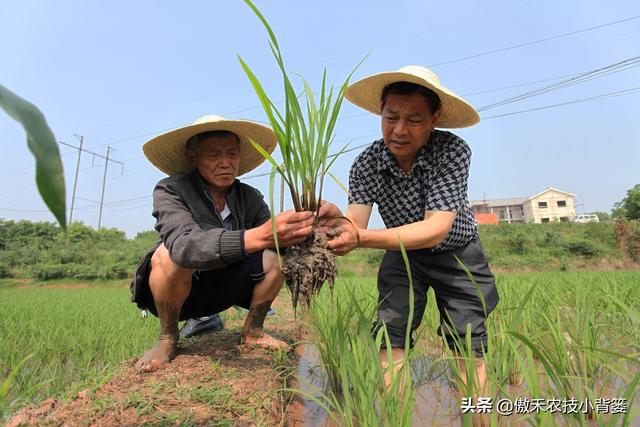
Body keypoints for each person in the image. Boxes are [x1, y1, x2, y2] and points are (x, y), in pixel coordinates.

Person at [320, 66, 499, 393]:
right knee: (391, 333)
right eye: (391, 118)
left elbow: (435, 229)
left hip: (457, 255)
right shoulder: (366, 164)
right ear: (381, 114)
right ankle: (395, 411)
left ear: (434, 118)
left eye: (414, 120)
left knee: (467, 341)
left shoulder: (452, 152)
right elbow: (355, 224)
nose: (399, 130)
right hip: (402, 256)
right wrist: (336, 221)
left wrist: (360, 238)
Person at [131, 115, 314, 372]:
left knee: (278, 255)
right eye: (214, 155)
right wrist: (258, 235)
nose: (225, 163)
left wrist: (303, 228)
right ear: (193, 157)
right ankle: (168, 337)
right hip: (183, 292)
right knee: (166, 254)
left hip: (228, 289)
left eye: (232, 154)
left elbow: (275, 241)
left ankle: (253, 331)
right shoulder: (171, 190)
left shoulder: (249, 197)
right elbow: (184, 245)